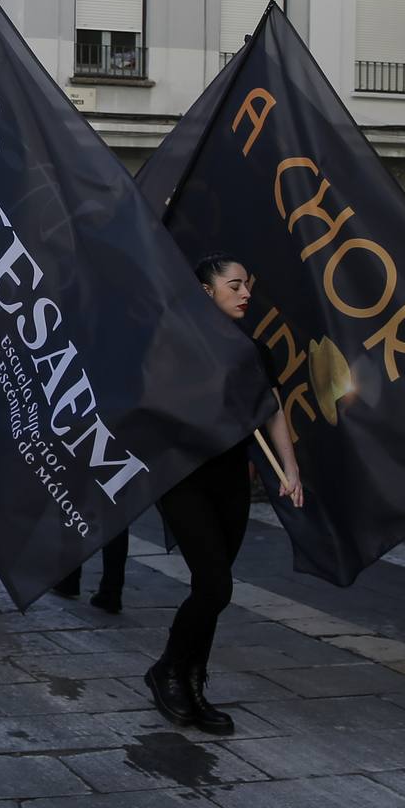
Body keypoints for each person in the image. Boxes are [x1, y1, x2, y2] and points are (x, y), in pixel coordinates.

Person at [143, 254, 303, 733]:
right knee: (215, 584)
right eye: (234, 285)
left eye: (247, 285)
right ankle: (168, 668)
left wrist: (289, 470)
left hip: (232, 477)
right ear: (206, 291)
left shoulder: (252, 349)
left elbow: (272, 407)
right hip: (182, 476)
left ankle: (193, 681)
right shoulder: (174, 341)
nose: (245, 293)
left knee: (211, 589)